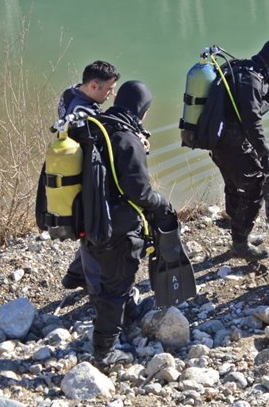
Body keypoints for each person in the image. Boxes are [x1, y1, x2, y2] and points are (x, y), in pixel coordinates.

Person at [82, 81, 175, 372]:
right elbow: (139, 191)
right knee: (117, 282)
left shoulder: (97, 125)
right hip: (116, 225)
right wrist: (161, 204)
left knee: (108, 272)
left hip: (90, 215)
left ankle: (127, 310)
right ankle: (104, 352)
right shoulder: (126, 138)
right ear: (140, 109)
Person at [210, 38, 269, 260]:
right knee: (254, 188)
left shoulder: (243, 68)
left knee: (235, 186)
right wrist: (265, 151)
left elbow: (253, 108)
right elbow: (252, 120)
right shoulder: (251, 79)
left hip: (220, 141)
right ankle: (240, 243)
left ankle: (239, 235)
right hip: (233, 143)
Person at [52, 60, 120, 291]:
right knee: (93, 232)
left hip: (69, 173)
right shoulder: (85, 115)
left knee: (88, 230)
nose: (111, 94)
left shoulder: (69, 93)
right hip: (84, 180)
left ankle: (75, 274)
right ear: (93, 85)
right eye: (109, 89)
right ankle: (98, 292)